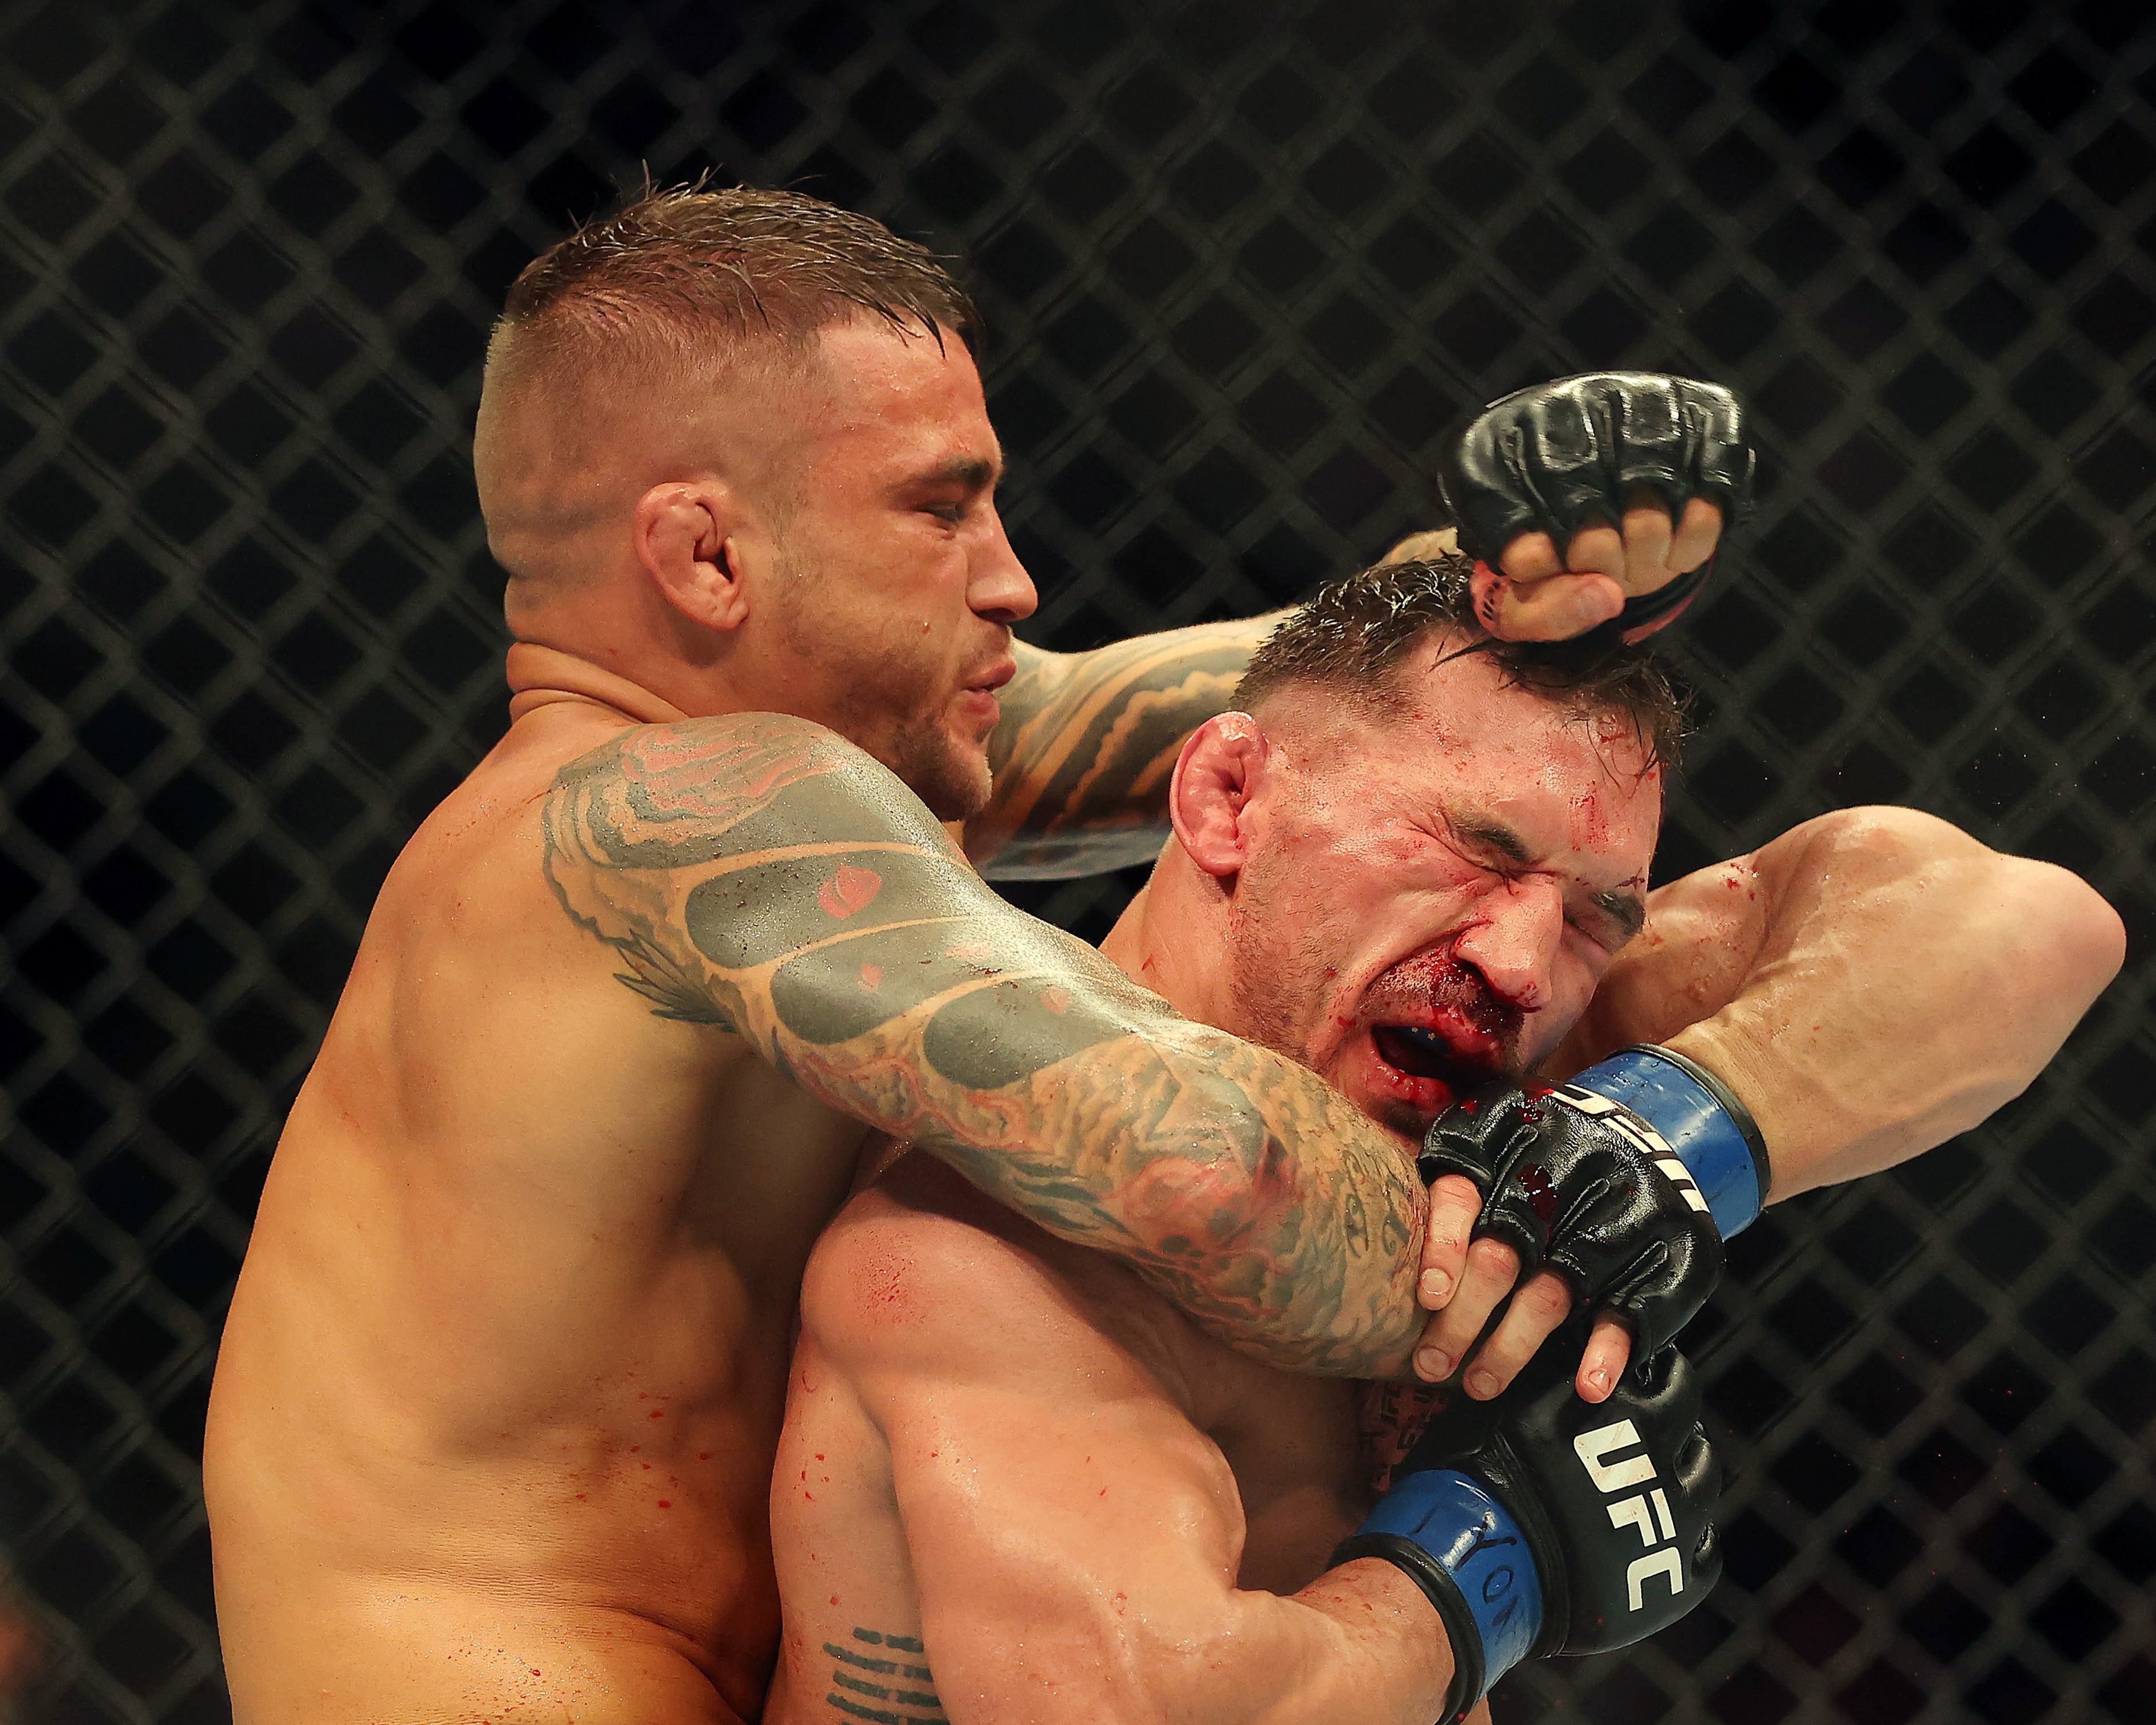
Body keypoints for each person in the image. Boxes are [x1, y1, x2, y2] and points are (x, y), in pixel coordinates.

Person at [201, 186, 1747, 1722]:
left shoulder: (825, 796)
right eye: (940, 508)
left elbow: (1309, 717)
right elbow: (1211, 1176)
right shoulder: (670, 816)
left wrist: (1516, 592)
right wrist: (1576, 1269)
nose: (1009, 576)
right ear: (705, 556)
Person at [765, 555, 2125, 1725]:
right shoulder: (986, 1255)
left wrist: (1668, 1134)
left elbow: (2024, 925)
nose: (1528, 961)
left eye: (1599, 913)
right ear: (1230, 799)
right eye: (1474, 849)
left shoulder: (1491, 1083)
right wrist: (1484, 1566)